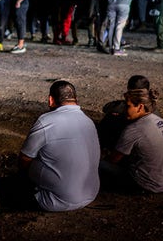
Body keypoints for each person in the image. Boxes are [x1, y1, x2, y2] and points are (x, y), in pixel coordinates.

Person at [18, 80, 101, 211]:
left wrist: (22, 178)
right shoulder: (88, 121)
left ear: (51, 100)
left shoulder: (46, 121)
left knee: (32, 160)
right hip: (90, 194)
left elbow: (25, 158)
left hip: (57, 202)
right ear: (76, 100)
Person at [100, 88, 163, 194]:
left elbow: (113, 160)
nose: (125, 110)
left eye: (128, 106)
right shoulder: (162, 122)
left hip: (144, 185)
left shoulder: (134, 129)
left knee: (99, 165)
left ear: (140, 107)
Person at [98, 75, 158, 150]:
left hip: (138, 139)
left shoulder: (134, 105)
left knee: (110, 119)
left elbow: (108, 108)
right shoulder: (152, 106)